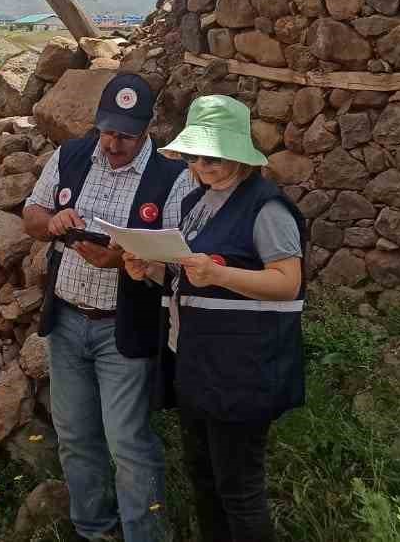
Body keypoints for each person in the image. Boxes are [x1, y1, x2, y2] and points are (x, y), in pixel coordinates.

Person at [123, 94, 307, 542]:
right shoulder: (197, 203)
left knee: (239, 489)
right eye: (194, 157)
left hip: (242, 370)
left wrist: (219, 274)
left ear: (237, 155)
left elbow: (288, 282)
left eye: (211, 159)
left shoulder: (268, 208)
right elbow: (191, 273)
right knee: (204, 479)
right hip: (199, 365)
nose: (200, 168)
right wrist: (151, 269)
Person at [22, 74, 194, 542]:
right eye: (108, 131)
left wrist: (123, 257)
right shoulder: (72, 156)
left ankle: (146, 535)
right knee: (75, 436)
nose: (114, 144)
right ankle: (94, 529)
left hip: (125, 329)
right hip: (67, 320)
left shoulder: (171, 179)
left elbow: (179, 257)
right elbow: (31, 215)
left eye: (126, 135)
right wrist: (54, 222)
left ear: (147, 131)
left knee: (128, 443)